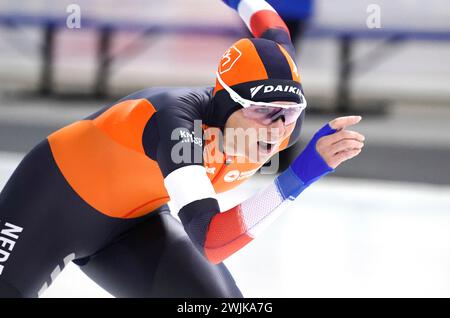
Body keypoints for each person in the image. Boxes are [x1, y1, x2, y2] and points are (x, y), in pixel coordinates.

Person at [0, 0, 365, 298]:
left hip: (135, 224)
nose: (278, 128)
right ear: (226, 104)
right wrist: (302, 174)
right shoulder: (176, 122)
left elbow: (272, 28)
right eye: (264, 112)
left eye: (290, 113)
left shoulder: (283, 108)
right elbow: (212, 240)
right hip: (50, 203)